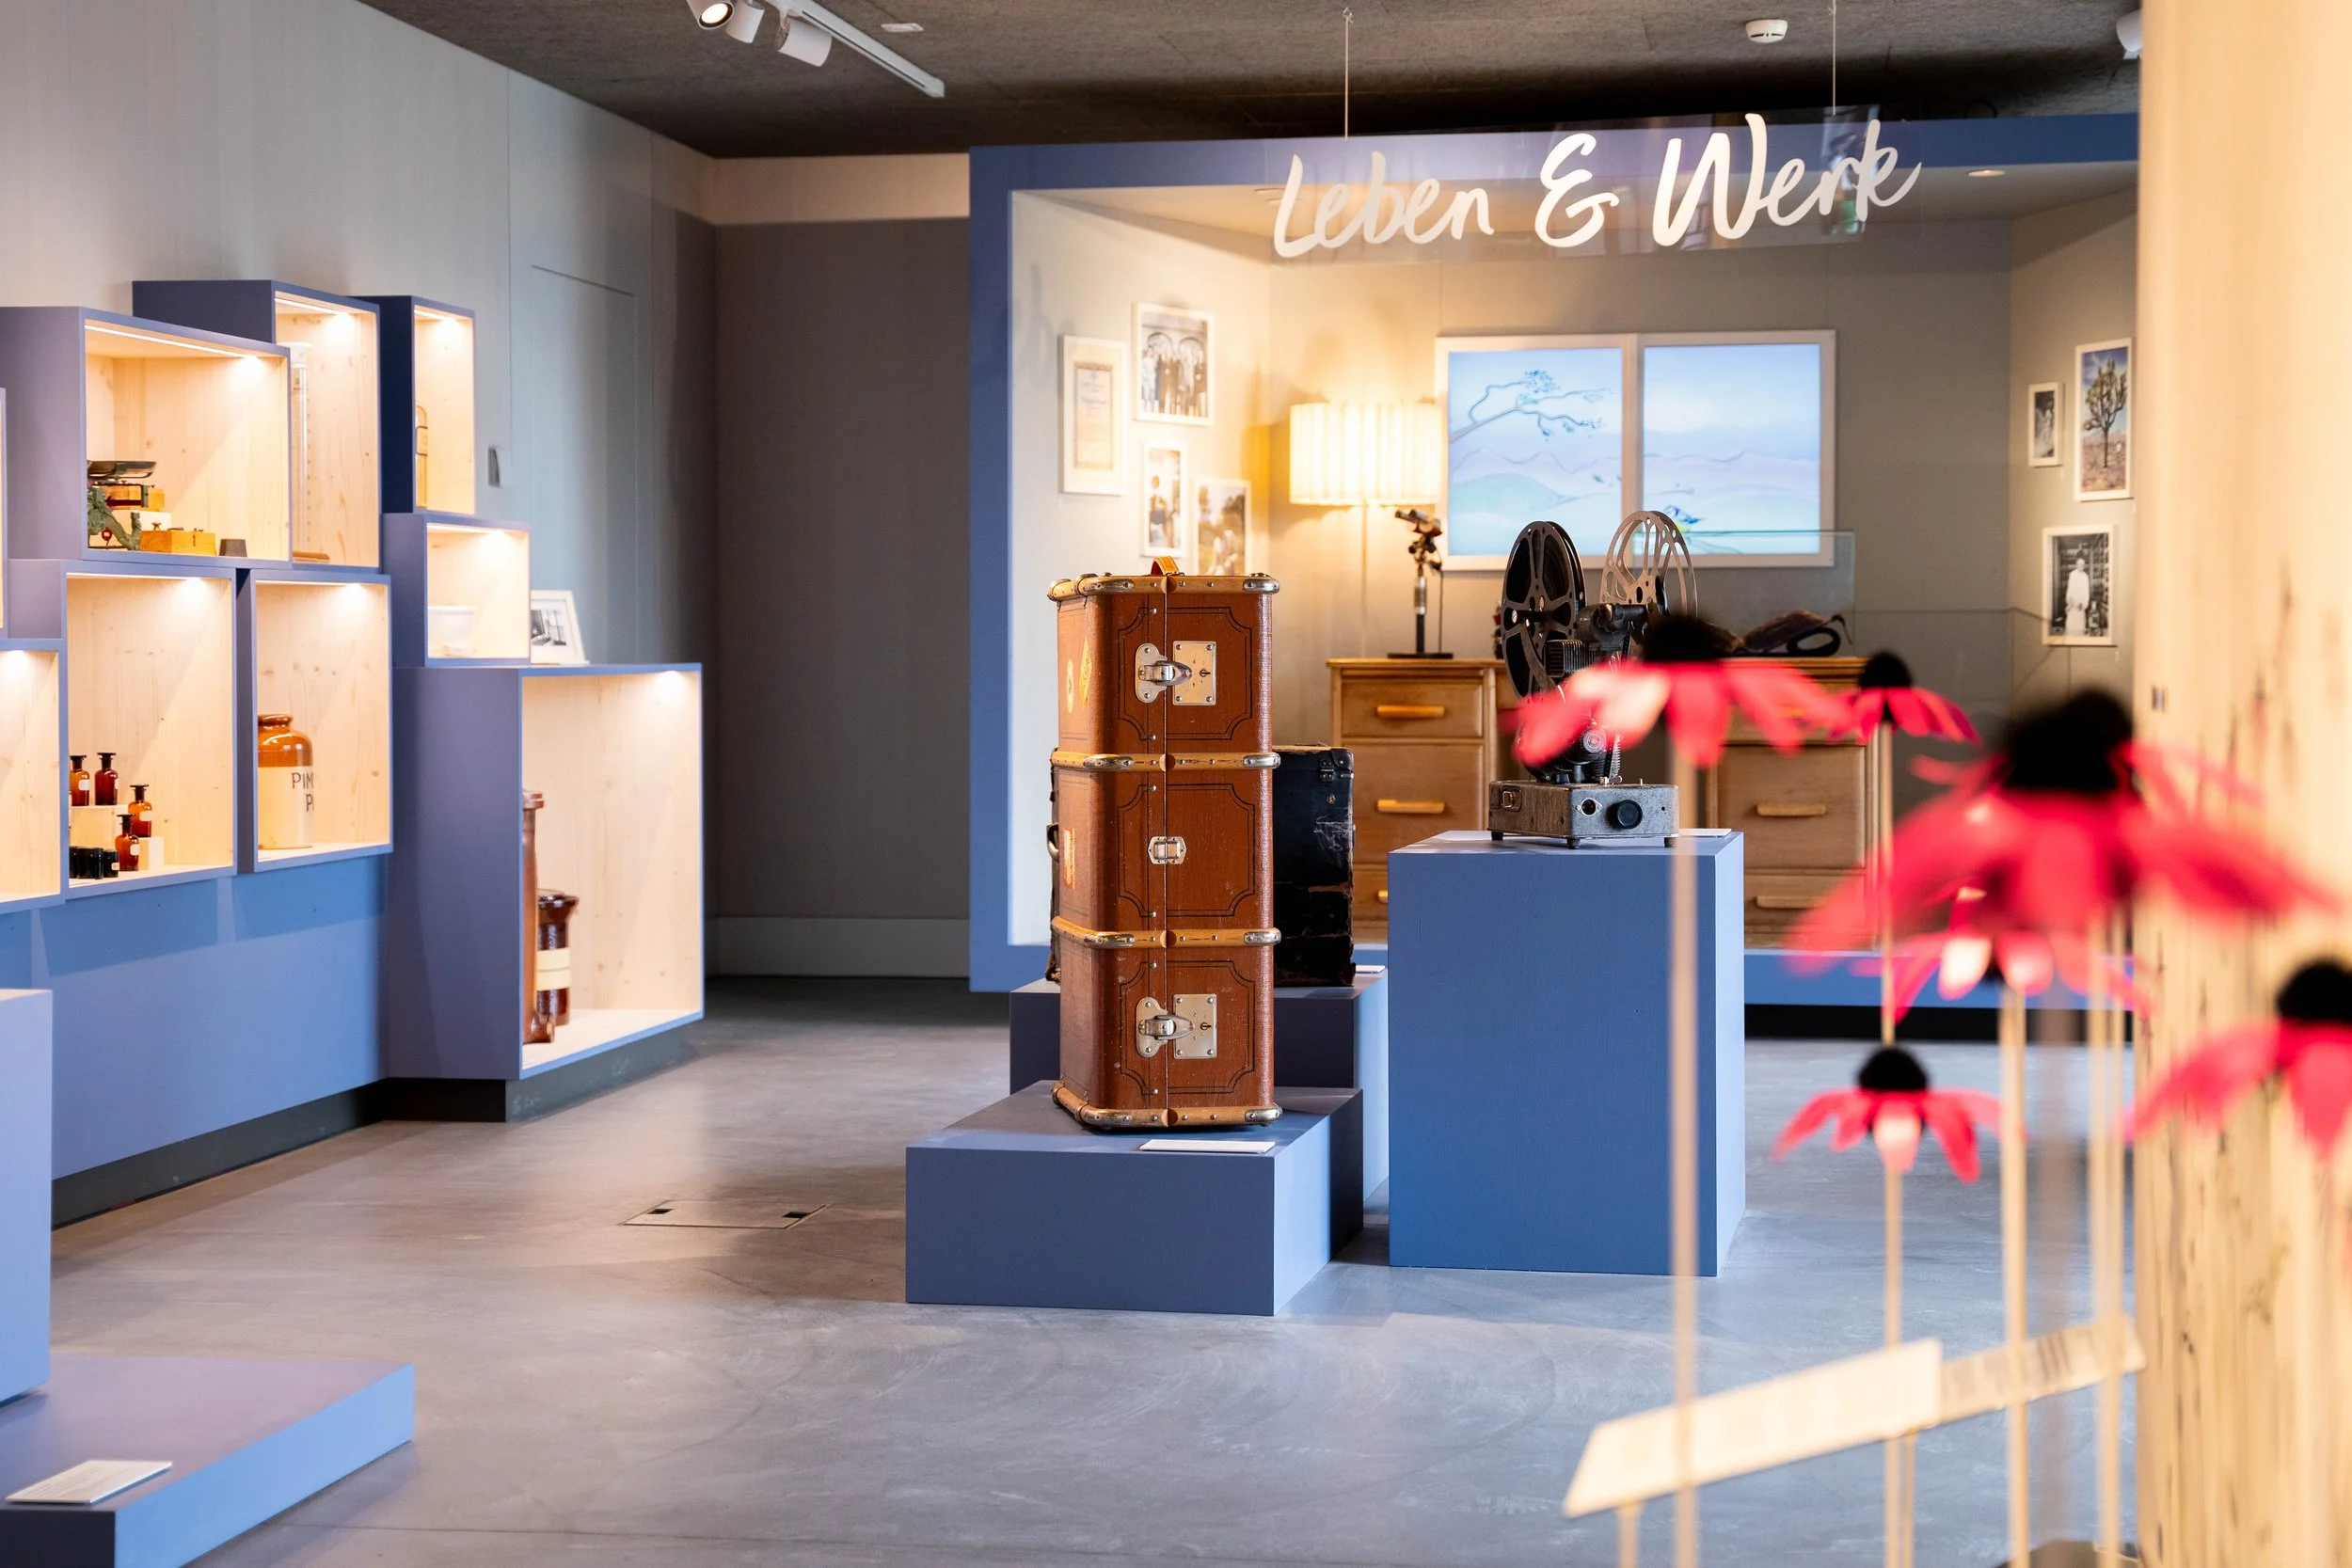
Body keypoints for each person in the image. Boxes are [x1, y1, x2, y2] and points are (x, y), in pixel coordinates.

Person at [2064, 549, 2093, 638]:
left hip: (2081, 608)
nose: (2081, 566)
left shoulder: (2085, 577)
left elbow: (2086, 594)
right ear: (2076, 564)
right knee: (2070, 631)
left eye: (2083, 564)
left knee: (2080, 632)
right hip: (2072, 607)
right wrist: (2070, 603)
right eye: (2079, 564)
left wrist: (2084, 604)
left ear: (2084, 565)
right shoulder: (2072, 575)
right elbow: (2069, 591)